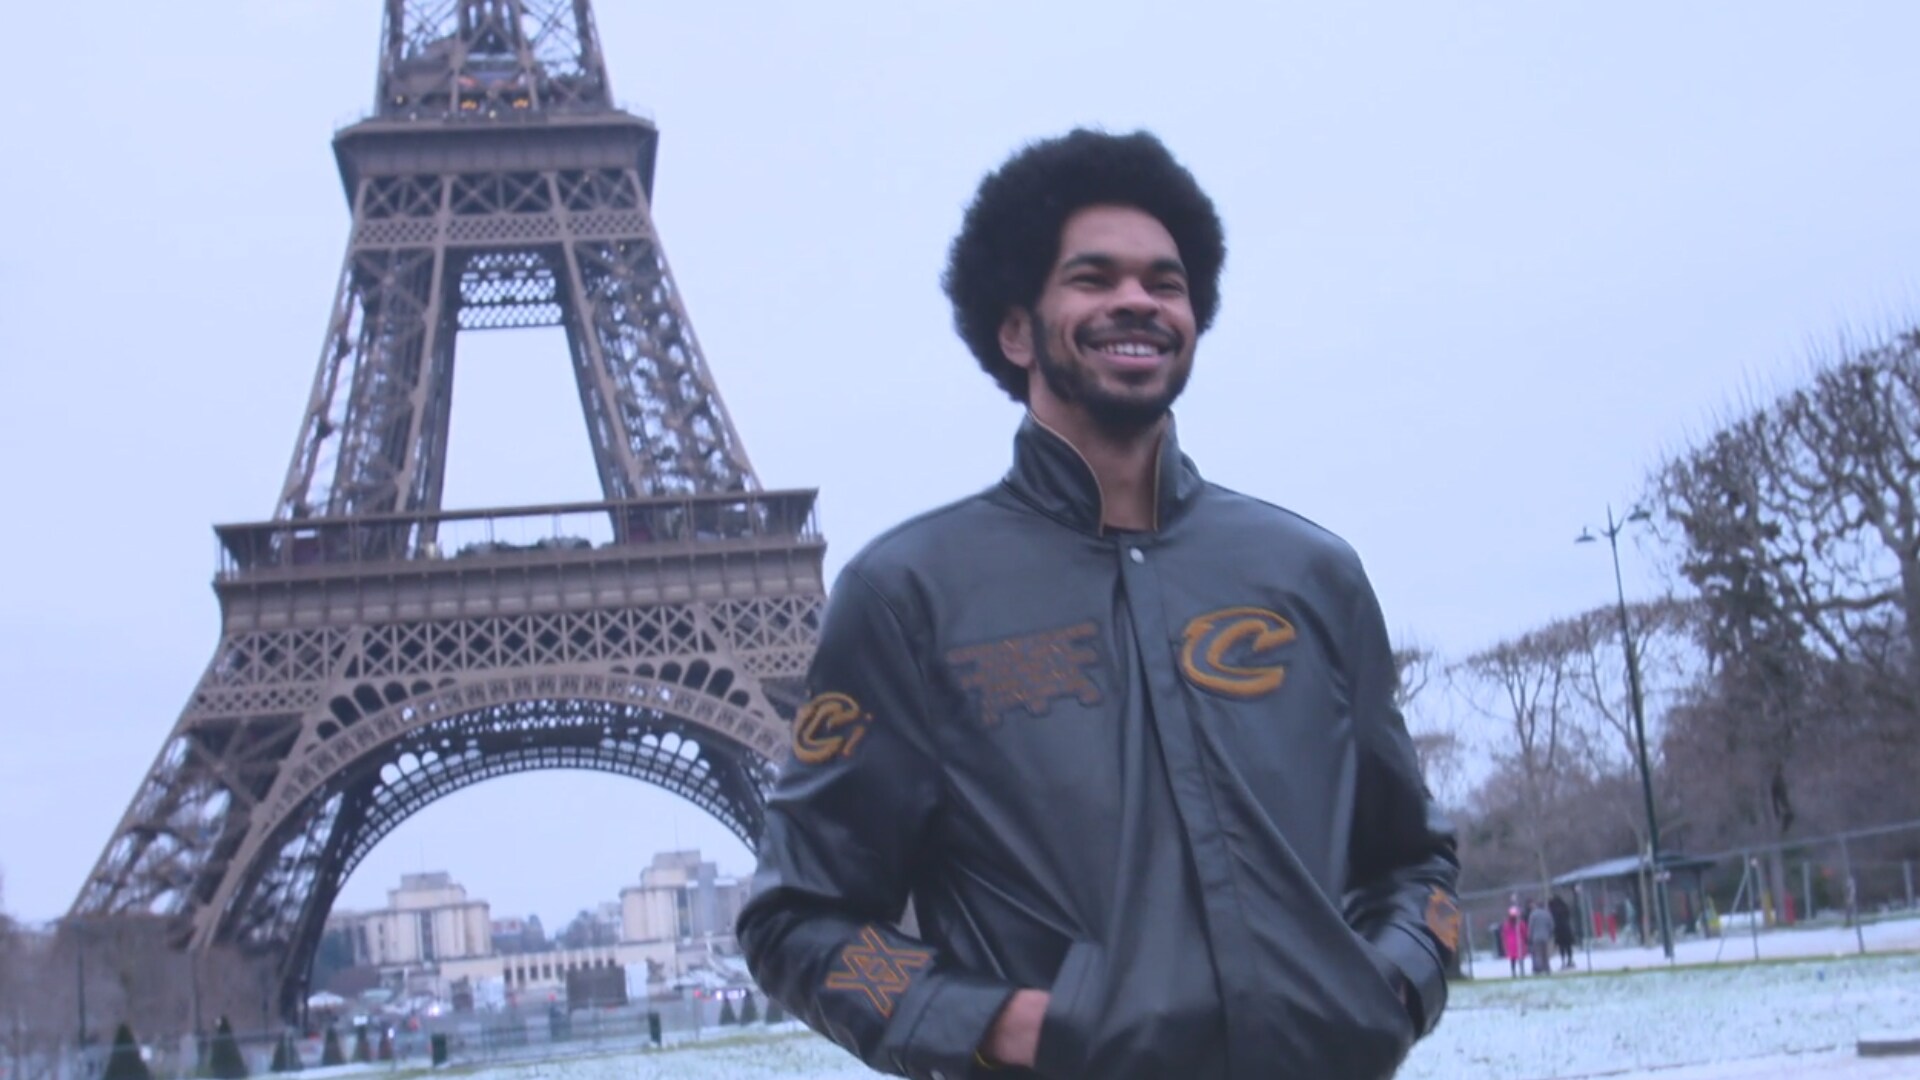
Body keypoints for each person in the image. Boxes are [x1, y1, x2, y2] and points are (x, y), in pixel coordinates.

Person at [736, 129, 1460, 1080]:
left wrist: (1392, 985)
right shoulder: (910, 598)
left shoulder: (1310, 574)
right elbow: (797, 918)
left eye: (1165, 282)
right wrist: (1002, 1026)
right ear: (1015, 328)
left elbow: (1414, 861)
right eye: (1093, 277)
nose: (1137, 300)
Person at [1549, 892, 1576, 970]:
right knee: (1568, 946)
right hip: (1566, 929)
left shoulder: (1553, 908)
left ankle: (1563, 961)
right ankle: (1570, 960)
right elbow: (1568, 915)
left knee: (1562, 947)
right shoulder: (1564, 906)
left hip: (1559, 930)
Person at [1527, 900, 1555, 976]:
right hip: (1545, 936)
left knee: (1538, 954)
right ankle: (1547, 968)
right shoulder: (1547, 914)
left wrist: (1529, 936)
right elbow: (1551, 925)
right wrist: (1549, 934)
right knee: (1545, 953)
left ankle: (1539, 969)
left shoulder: (1533, 914)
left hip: (1536, 937)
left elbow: (1531, 926)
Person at [1501, 905, 1528, 978]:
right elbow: (1524, 932)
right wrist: (1525, 939)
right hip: (1519, 942)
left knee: (1513, 959)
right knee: (1520, 958)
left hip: (1510, 943)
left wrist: (1505, 942)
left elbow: (1504, 933)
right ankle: (1522, 971)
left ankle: (1513, 972)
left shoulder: (1507, 924)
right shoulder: (1520, 923)